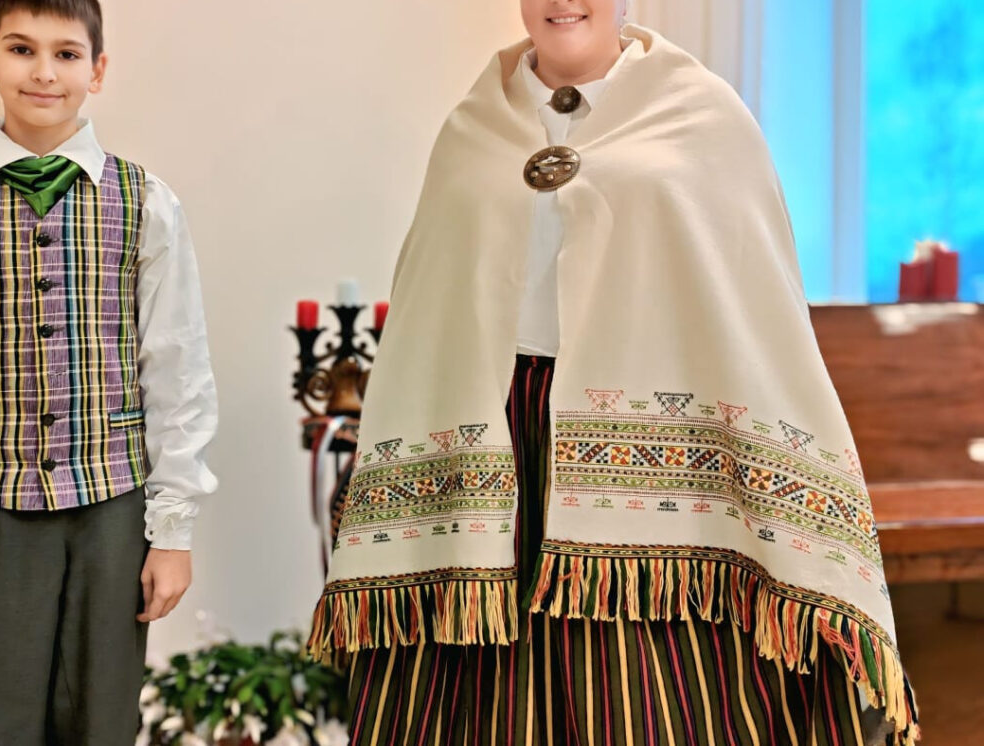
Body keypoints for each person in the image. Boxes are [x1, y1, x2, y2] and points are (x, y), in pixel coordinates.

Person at [307, 2, 919, 745]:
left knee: (651, 705)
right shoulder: (473, 125)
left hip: (660, 457)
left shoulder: (702, 115)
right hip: (496, 445)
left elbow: (755, 306)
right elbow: (430, 301)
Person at [0, 1, 218, 743]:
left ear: (97, 70)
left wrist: (173, 531)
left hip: (113, 506)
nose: (44, 72)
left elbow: (178, 368)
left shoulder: (147, 201)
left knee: (104, 720)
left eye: (67, 53)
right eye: (22, 49)